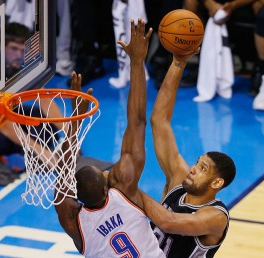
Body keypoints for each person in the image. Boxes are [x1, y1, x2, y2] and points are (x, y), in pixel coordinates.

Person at [54, 19, 165, 257]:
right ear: (107, 187)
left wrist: (74, 123)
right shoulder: (123, 189)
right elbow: (137, 122)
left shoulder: (73, 222)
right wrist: (136, 62)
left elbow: (61, 178)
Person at [138, 49, 236, 257]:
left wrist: (129, 189)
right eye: (197, 163)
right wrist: (178, 63)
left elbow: (168, 222)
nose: (193, 168)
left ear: (216, 183)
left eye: (202, 168)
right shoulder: (178, 185)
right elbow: (159, 121)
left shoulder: (215, 216)